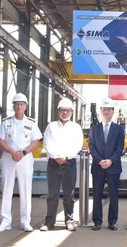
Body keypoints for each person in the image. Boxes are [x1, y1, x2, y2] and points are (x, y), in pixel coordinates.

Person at [0, 93, 42, 232]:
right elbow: (0, 141)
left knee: (26, 190)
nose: (19, 106)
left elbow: (36, 141)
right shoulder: (6, 122)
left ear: (26, 106)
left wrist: (23, 153)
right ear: (13, 106)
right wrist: (12, 152)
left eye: (22, 104)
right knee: (6, 189)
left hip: (25, 159)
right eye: (17, 104)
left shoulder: (31, 123)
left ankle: (25, 221)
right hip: (9, 158)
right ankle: (5, 221)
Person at [40, 98, 83, 231]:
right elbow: (46, 143)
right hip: (53, 164)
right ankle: (49, 222)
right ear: (58, 111)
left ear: (71, 112)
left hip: (69, 164)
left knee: (69, 195)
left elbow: (78, 145)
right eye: (62, 110)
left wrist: (66, 157)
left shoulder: (76, 128)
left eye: (67, 110)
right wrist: (55, 156)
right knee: (52, 194)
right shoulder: (51, 126)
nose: (64, 112)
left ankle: (69, 221)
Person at [89, 98, 125, 231]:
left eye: (109, 109)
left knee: (114, 194)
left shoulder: (119, 129)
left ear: (113, 112)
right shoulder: (94, 129)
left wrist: (110, 161)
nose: (106, 112)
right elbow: (91, 147)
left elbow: (119, 147)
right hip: (98, 167)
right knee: (97, 195)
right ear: (100, 111)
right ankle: (97, 221)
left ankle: (112, 222)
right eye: (104, 109)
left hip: (113, 167)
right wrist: (100, 161)